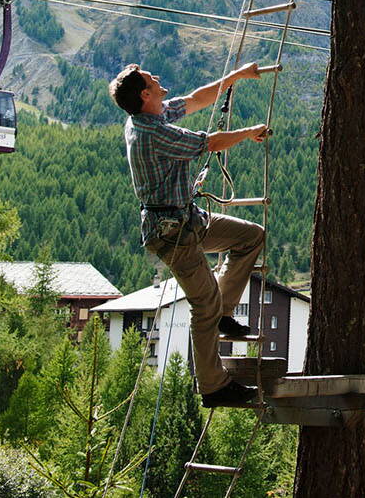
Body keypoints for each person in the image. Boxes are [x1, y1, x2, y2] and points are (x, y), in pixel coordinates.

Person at [110, 61, 274, 407]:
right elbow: (211, 143)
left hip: (187, 220)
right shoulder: (153, 132)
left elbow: (197, 100)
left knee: (250, 237)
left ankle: (224, 314)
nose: (157, 77)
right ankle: (214, 387)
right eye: (151, 79)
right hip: (172, 233)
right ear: (145, 94)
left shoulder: (149, 117)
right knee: (204, 306)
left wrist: (235, 77)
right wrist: (248, 132)